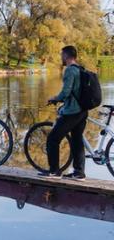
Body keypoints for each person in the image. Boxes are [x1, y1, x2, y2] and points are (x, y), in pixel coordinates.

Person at [41, 45, 88, 180]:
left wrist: (54, 98)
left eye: (62, 55)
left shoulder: (69, 71)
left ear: (66, 56)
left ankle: (55, 171)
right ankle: (79, 173)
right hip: (82, 111)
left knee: (52, 139)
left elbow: (66, 92)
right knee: (77, 141)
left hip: (72, 112)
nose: (61, 57)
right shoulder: (80, 69)